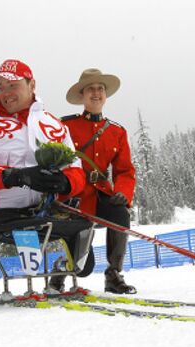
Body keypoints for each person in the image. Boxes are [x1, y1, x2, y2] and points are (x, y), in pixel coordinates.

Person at [0, 59, 92, 282]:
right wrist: (14, 176)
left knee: (84, 245)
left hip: (46, 210)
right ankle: (32, 278)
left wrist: (65, 183)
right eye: (0, 87)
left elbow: (76, 169)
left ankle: (61, 270)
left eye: (12, 85)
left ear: (32, 85)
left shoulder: (54, 125)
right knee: (30, 229)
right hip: (2, 213)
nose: (5, 93)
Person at [58, 68, 137, 294]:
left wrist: (122, 192)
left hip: (102, 195)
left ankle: (114, 274)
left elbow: (124, 171)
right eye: (90, 89)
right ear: (82, 96)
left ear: (105, 95)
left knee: (121, 213)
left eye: (100, 89)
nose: (96, 93)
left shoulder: (116, 132)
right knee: (82, 268)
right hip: (74, 198)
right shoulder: (65, 126)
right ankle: (60, 269)